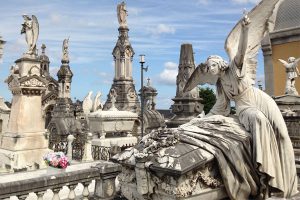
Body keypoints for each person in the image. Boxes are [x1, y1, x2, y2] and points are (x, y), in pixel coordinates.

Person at [199, 14, 297, 198]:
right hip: (246, 107)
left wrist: (245, 30)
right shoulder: (220, 85)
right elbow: (220, 107)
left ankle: (290, 184)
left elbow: (241, 52)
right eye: (208, 67)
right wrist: (203, 119)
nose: (210, 69)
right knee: (258, 119)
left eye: (212, 65)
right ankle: (269, 181)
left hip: (261, 99)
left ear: (220, 64)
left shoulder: (234, 69)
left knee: (283, 135)